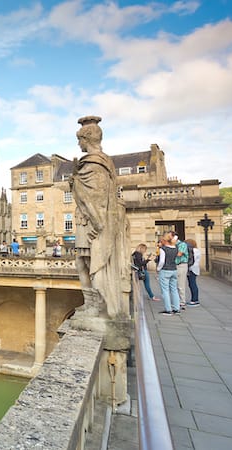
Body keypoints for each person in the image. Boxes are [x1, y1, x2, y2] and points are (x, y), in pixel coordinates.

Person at [70, 116, 130, 318]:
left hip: (92, 220)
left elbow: (97, 195)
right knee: (82, 262)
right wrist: (75, 181)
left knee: (91, 262)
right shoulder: (95, 163)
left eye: (80, 140)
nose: (78, 144)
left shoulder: (95, 163)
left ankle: (97, 306)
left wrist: (97, 221)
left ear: (86, 139)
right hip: (85, 218)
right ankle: (91, 303)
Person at [156, 236, 181, 315]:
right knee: (174, 289)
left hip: (165, 270)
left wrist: (158, 268)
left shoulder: (163, 249)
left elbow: (162, 261)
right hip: (174, 269)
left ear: (165, 241)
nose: (161, 241)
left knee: (165, 291)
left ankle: (168, 309)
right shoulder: (175, 248)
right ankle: (176, 308)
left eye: (162, 240)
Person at [171, 231, 189, 309]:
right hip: (175, 265)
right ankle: (177, 301)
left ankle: (182, 302)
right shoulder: (173, 245)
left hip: (181, 265)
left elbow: (179, 254)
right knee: (174, 284)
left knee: (181, 285)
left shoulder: (182, 244)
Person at [186, 239, 200, 306]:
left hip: (192, 269)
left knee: (192, 284)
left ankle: (195, 300)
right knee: (192, 284)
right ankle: (194, 299)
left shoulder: (193, 250)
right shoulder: (197, 250)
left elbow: (191, 259)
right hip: (195, 268)